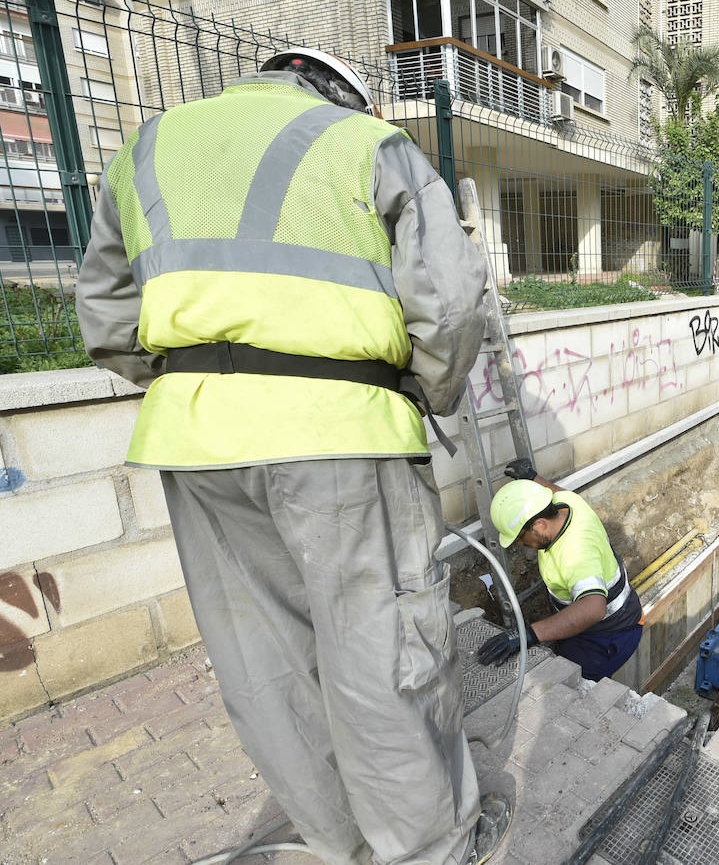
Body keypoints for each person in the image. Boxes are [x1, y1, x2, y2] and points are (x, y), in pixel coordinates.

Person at [76, 48, 508, 864]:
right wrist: (421, 393)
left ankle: (343, 844)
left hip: (197, 443)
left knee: (265, 661)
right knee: (381, 657)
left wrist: (193, 378)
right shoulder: (366, 144)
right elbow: (450, 309)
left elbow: (104, 317)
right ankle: (428, 851)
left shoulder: (146, 149)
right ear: (342, 93)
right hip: (342, 431)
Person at [479, 461, 643, 680]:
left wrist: (528, 635)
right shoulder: (565, 505)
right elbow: (555, 492)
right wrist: (532, 477)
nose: (518, 544)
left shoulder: (576, 552)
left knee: (572, 688)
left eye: (519, 536)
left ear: (539, 525)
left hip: (607, 635)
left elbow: (593, 609)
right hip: (607, 621)